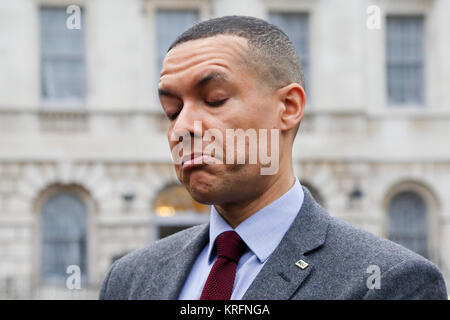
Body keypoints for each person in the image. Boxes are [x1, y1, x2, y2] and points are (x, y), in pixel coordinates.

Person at [99, 15, 447, 300]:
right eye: (172, 110)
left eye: (215, 99)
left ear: (289, 107)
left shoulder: (392, 282)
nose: (183, 128)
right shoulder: (129, 279)